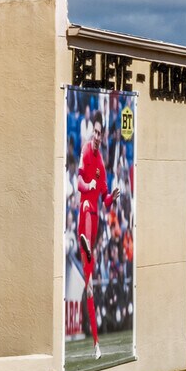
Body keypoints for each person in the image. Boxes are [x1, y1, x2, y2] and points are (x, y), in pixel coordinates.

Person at [71, 113, 113, 355]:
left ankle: (96, 344)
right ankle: (85, 242)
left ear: (103, 136)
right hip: (85, 216)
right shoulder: (86, 151)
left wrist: (112, 197)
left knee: (89, 290)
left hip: (95, 222)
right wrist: (89, 187)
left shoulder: (102, 164)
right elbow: (78, 182)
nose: (97, 136)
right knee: (87, 206)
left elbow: (105, 199)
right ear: (92, 133)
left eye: (100, 133)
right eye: (95, 132)